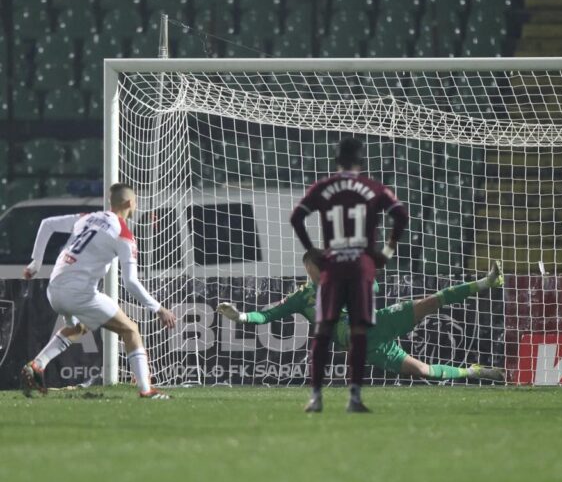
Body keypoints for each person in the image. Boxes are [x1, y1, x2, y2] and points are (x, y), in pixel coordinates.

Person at [217, 252, 505, 383]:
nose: (312, 272)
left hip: (376, 322)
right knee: (424, 371)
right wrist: (240, 316)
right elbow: (267, 315)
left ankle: (486, 282)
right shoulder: (301, 297)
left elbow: (374, 286)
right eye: (309, 268)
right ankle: (475, 371)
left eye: (313, 267)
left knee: (430, 302)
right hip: (366, 347)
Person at [21, 183, 177, 399]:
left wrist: (35, 264)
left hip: (54, 288)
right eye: (136, 202)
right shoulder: (123, 233)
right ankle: (146, 390)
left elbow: (47, 224)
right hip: (79, 293)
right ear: (130, 203)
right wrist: (159, 309)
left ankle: (38, 364)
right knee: (131, 330)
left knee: (80, 327)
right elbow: (130, 282)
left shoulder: (87, 217)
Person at [290, 136, 408, 413]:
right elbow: (401, 215)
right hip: (361, 267)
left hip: (333, 266)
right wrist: (387, 251)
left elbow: (296, 217)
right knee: (358, 333)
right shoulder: (374, 188)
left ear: (336, 159)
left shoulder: (323, 187)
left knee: (323, 331)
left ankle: (316, 397)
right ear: (360, 160)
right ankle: (354, 398)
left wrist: (313, 251)